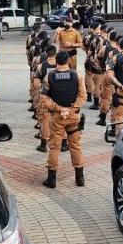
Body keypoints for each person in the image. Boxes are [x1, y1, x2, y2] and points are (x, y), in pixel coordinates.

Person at [41, 50, 87, 188]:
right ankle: (80, 179)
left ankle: (52, 180)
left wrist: (60, 109)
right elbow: (82, 96)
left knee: (54, 146)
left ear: (56, 60)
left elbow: (44, 98)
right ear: (68, 61)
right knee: (76, 145)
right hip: (73, 116)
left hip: (57, 117)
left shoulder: (49, 76)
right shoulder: (77, 75)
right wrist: (71, 110)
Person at [34, 45, 59, 152]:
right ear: (56, 53)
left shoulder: (41, 66)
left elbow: (36, 84)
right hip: (60, 97)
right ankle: (63, 143)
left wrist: (43, 90)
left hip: (46, 97)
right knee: (61, 120)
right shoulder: (62, 65)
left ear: (46, 53)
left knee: (45, 121)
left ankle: (43, 145)